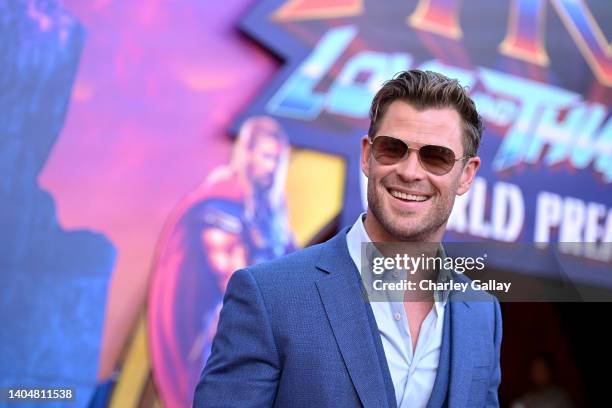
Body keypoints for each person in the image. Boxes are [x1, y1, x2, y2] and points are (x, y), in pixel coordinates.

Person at [194, 70, 502, 407]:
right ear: (367, 155)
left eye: (436, 157)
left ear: (466, 175)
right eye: (392, 149)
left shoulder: (481, 314)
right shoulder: (269, 296)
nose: (411, 172)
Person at [148, 116, 294, 408]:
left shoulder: (272, 210)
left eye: (277, 159)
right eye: (266, 156)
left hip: (268, 331)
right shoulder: (219, 203)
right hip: (226, 329)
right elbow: (234, 280)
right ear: (247, 152)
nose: (271, 167)